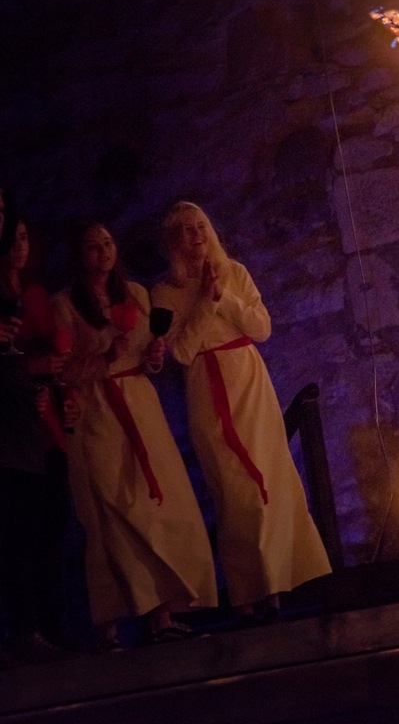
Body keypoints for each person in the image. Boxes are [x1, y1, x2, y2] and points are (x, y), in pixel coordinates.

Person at [152, 201, 330, 622]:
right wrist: (205, 303)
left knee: (271, 479)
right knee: (236, 493)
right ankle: (247, 595)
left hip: (249, 384)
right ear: (173, 241)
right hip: (208, 391)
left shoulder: (234, 272)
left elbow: (261, 327)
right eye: (186, 230)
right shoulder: (165, 293)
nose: (196, 235)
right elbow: (182, 350)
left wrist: (223, 297)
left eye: (200, 226)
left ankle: (278, 589)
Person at [53, 221, 217, 649]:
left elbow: (147, 359)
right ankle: (109, 624)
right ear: (80, 255)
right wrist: (104, 357)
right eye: (93, 246)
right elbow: (61, 372)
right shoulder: (65, 304)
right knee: (111, 513)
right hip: (98, 411)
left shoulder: (137, 296)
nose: (103, 251)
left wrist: (153, 357)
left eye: (108, 243)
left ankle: (163, 615)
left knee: (157, 504)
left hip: (141, 407)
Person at [0, 204, 74, 663]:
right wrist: (34, 370)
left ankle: (50, 625)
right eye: (12, 236)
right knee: (19, 533)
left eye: (24, 236)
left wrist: (54, 385)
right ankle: (24, 630)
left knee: (50, 528)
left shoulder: (33, 295)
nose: (18, 245)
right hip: (13, 424)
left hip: (38, 420)